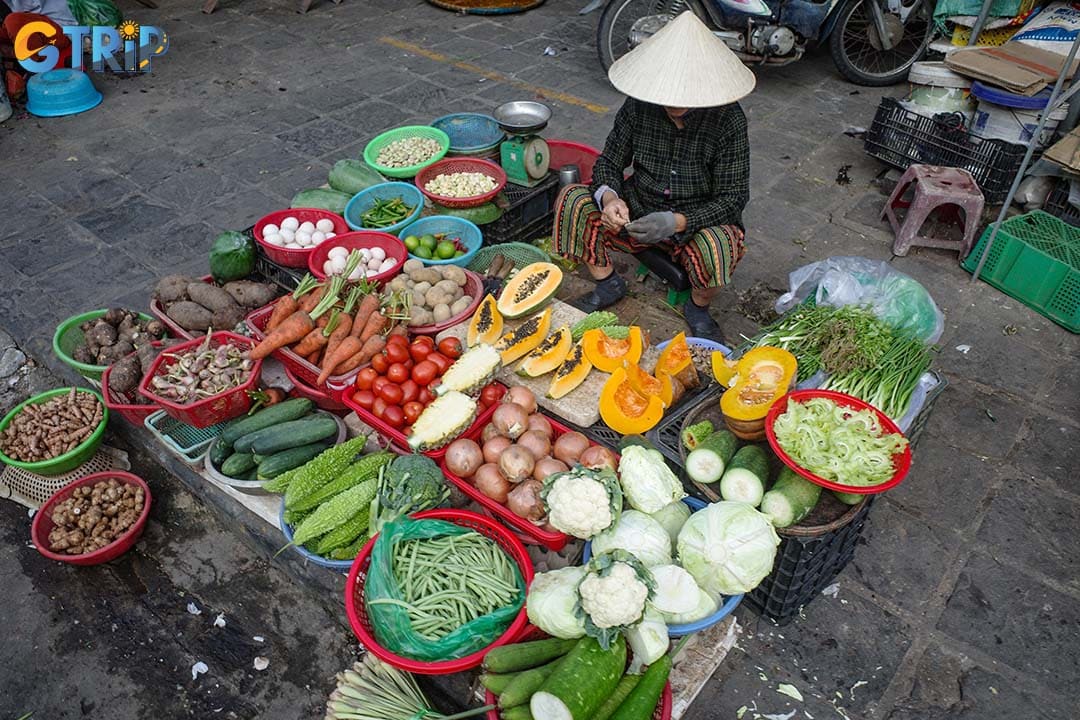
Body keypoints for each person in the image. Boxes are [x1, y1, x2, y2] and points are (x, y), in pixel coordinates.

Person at [552, 11, 755, 340]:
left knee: (720, 247)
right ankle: (607, 283)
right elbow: (609, 163)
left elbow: (733, 199)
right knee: (572, 198)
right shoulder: (638, 106)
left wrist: (676, 221)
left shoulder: (728, 120)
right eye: (666, 94)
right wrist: (610, 198)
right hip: (639, 207)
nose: (673, 102)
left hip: (697, 220)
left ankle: (698, 307)